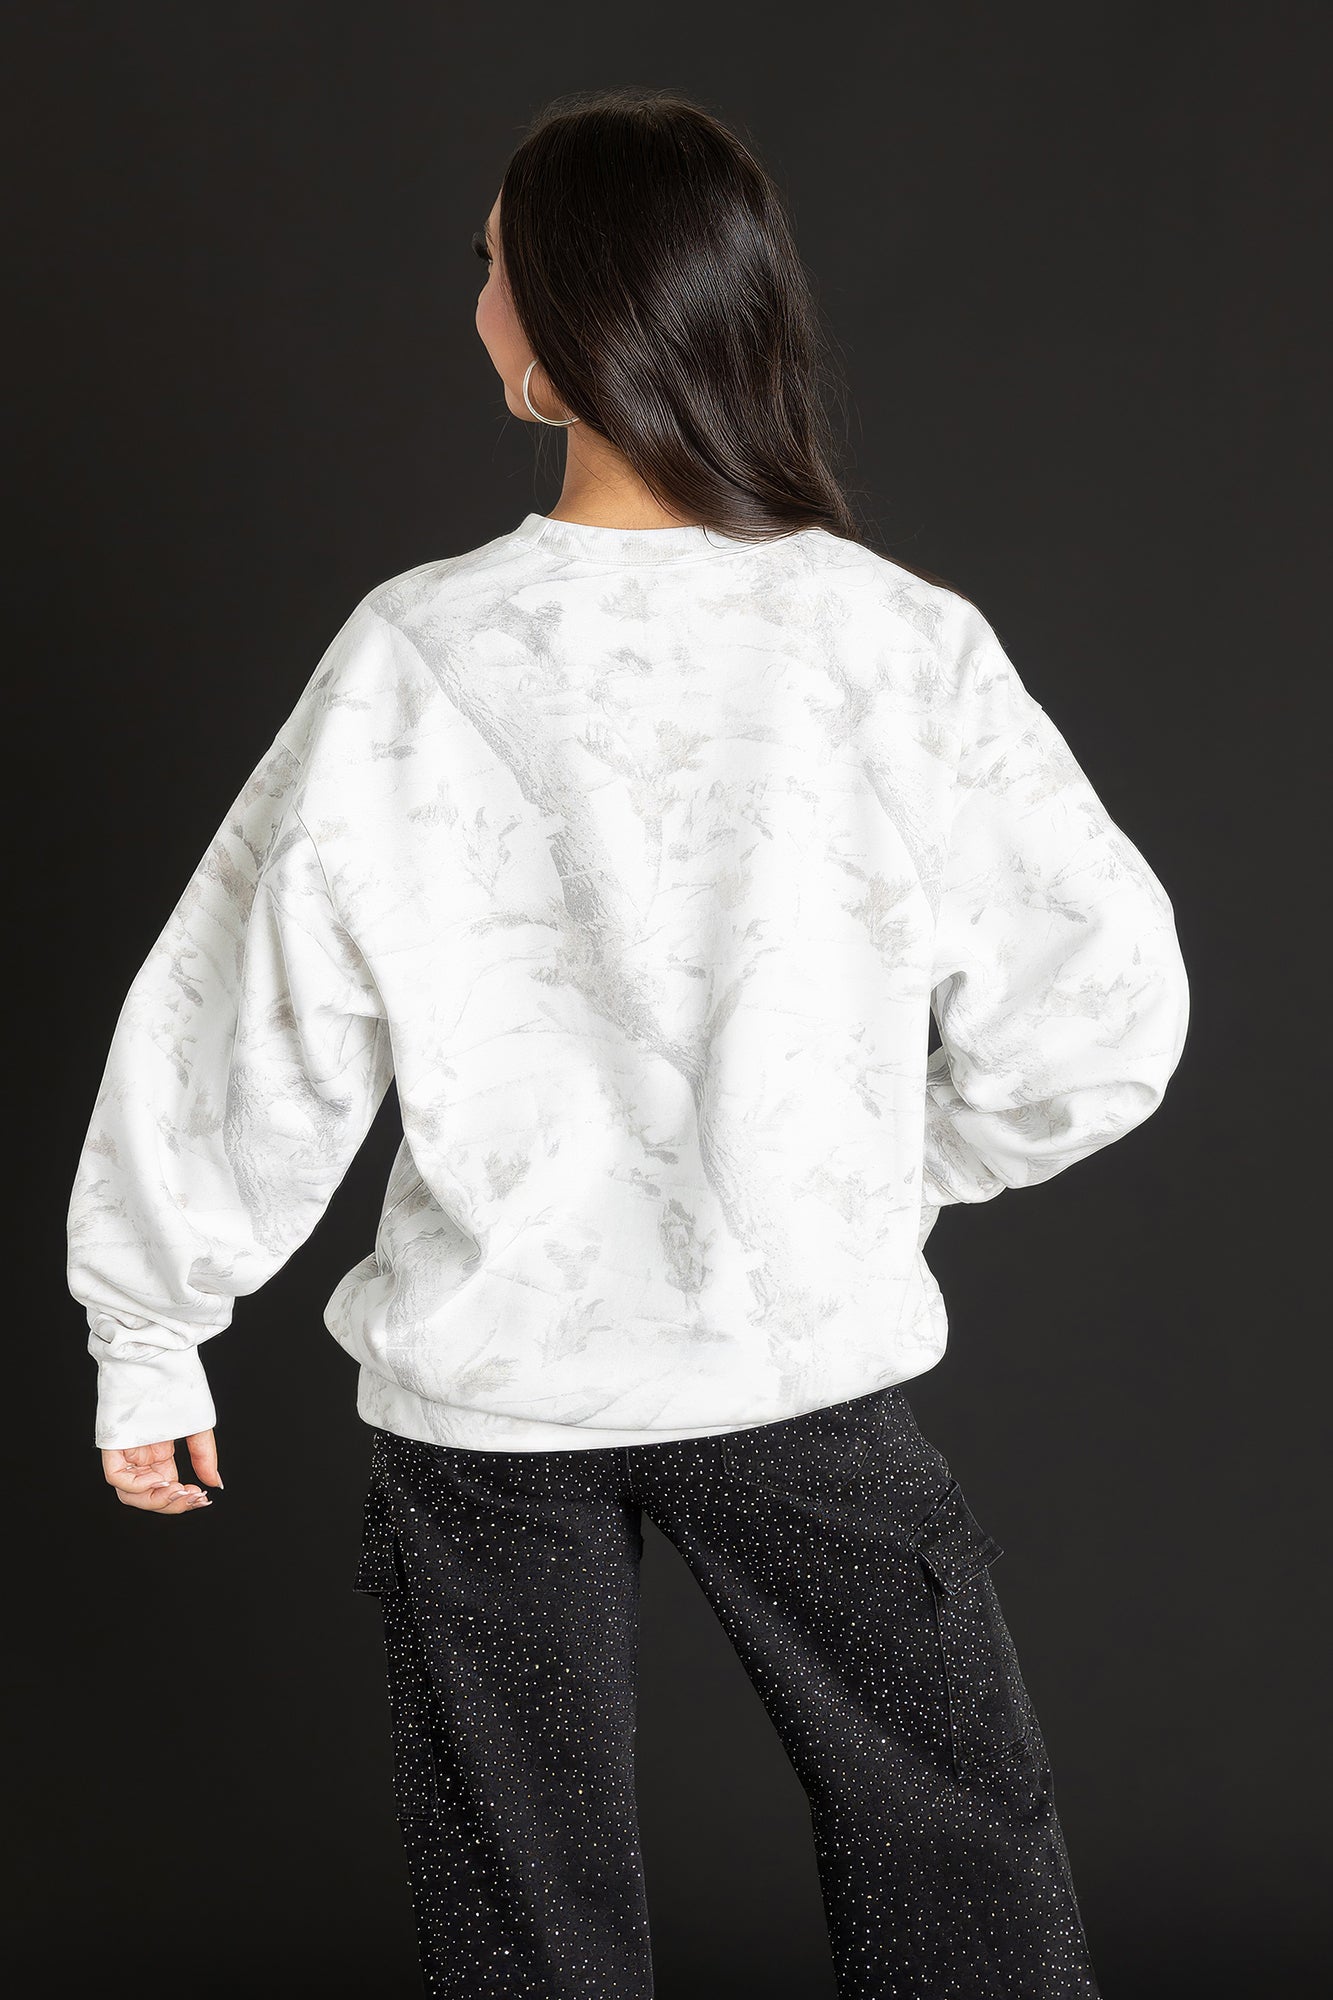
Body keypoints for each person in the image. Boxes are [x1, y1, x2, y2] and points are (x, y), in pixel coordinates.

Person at [66, 86, 1189, 1999]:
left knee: (524, 1916)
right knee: (956, 1857)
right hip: (795, 1359)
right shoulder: (892, 639)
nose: (473, 301)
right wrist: (876, 1167)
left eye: (490, 264)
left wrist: (150, 1327)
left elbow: (251, 1009)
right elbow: (1102, 1010)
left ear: (567, 312)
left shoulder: (422, 650)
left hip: (487, 1400)